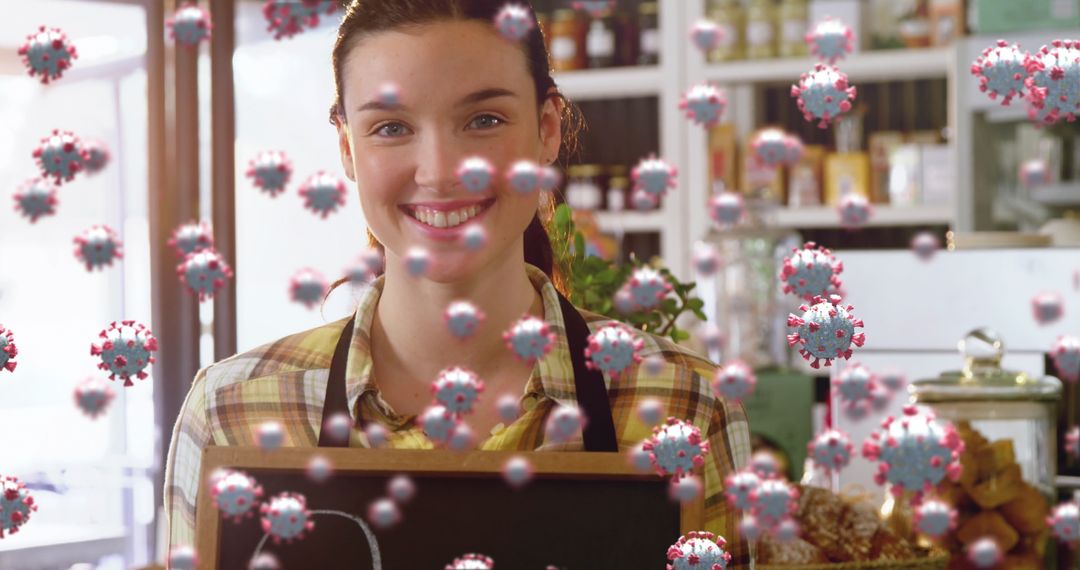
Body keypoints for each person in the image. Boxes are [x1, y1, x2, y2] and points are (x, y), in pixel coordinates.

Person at [164, 0, 752, 565]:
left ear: (547, 130)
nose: (440, 172)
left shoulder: (686, 405)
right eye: (391, 127)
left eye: (484, 120)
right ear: (347, 148)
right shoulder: (230, 411)